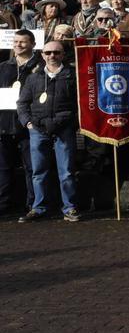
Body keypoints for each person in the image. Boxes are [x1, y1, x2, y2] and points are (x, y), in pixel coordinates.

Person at [16, 40, 80, 222]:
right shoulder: (33, 78)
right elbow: (22, 103)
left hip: (64, 129)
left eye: (56, 53)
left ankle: (69, 208)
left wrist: (71, 123)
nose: (52, 56)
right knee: (38, 171)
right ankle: (39, 208)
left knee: (66, 171)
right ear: (42, 55)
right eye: (48, 52)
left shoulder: (72, 76)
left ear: (63, 55)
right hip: (37, 129)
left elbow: (80, 104)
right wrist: (27, 122)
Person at [0, 30, 41, 217]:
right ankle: (3, 203)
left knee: (32, 167)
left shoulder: (41, 66)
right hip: (4, 124)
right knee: (3, 167)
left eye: (23, 42)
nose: (18, 45)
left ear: (32, 43)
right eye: (16, 41)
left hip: (29, 125)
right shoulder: (3, 67)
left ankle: (32, 204)